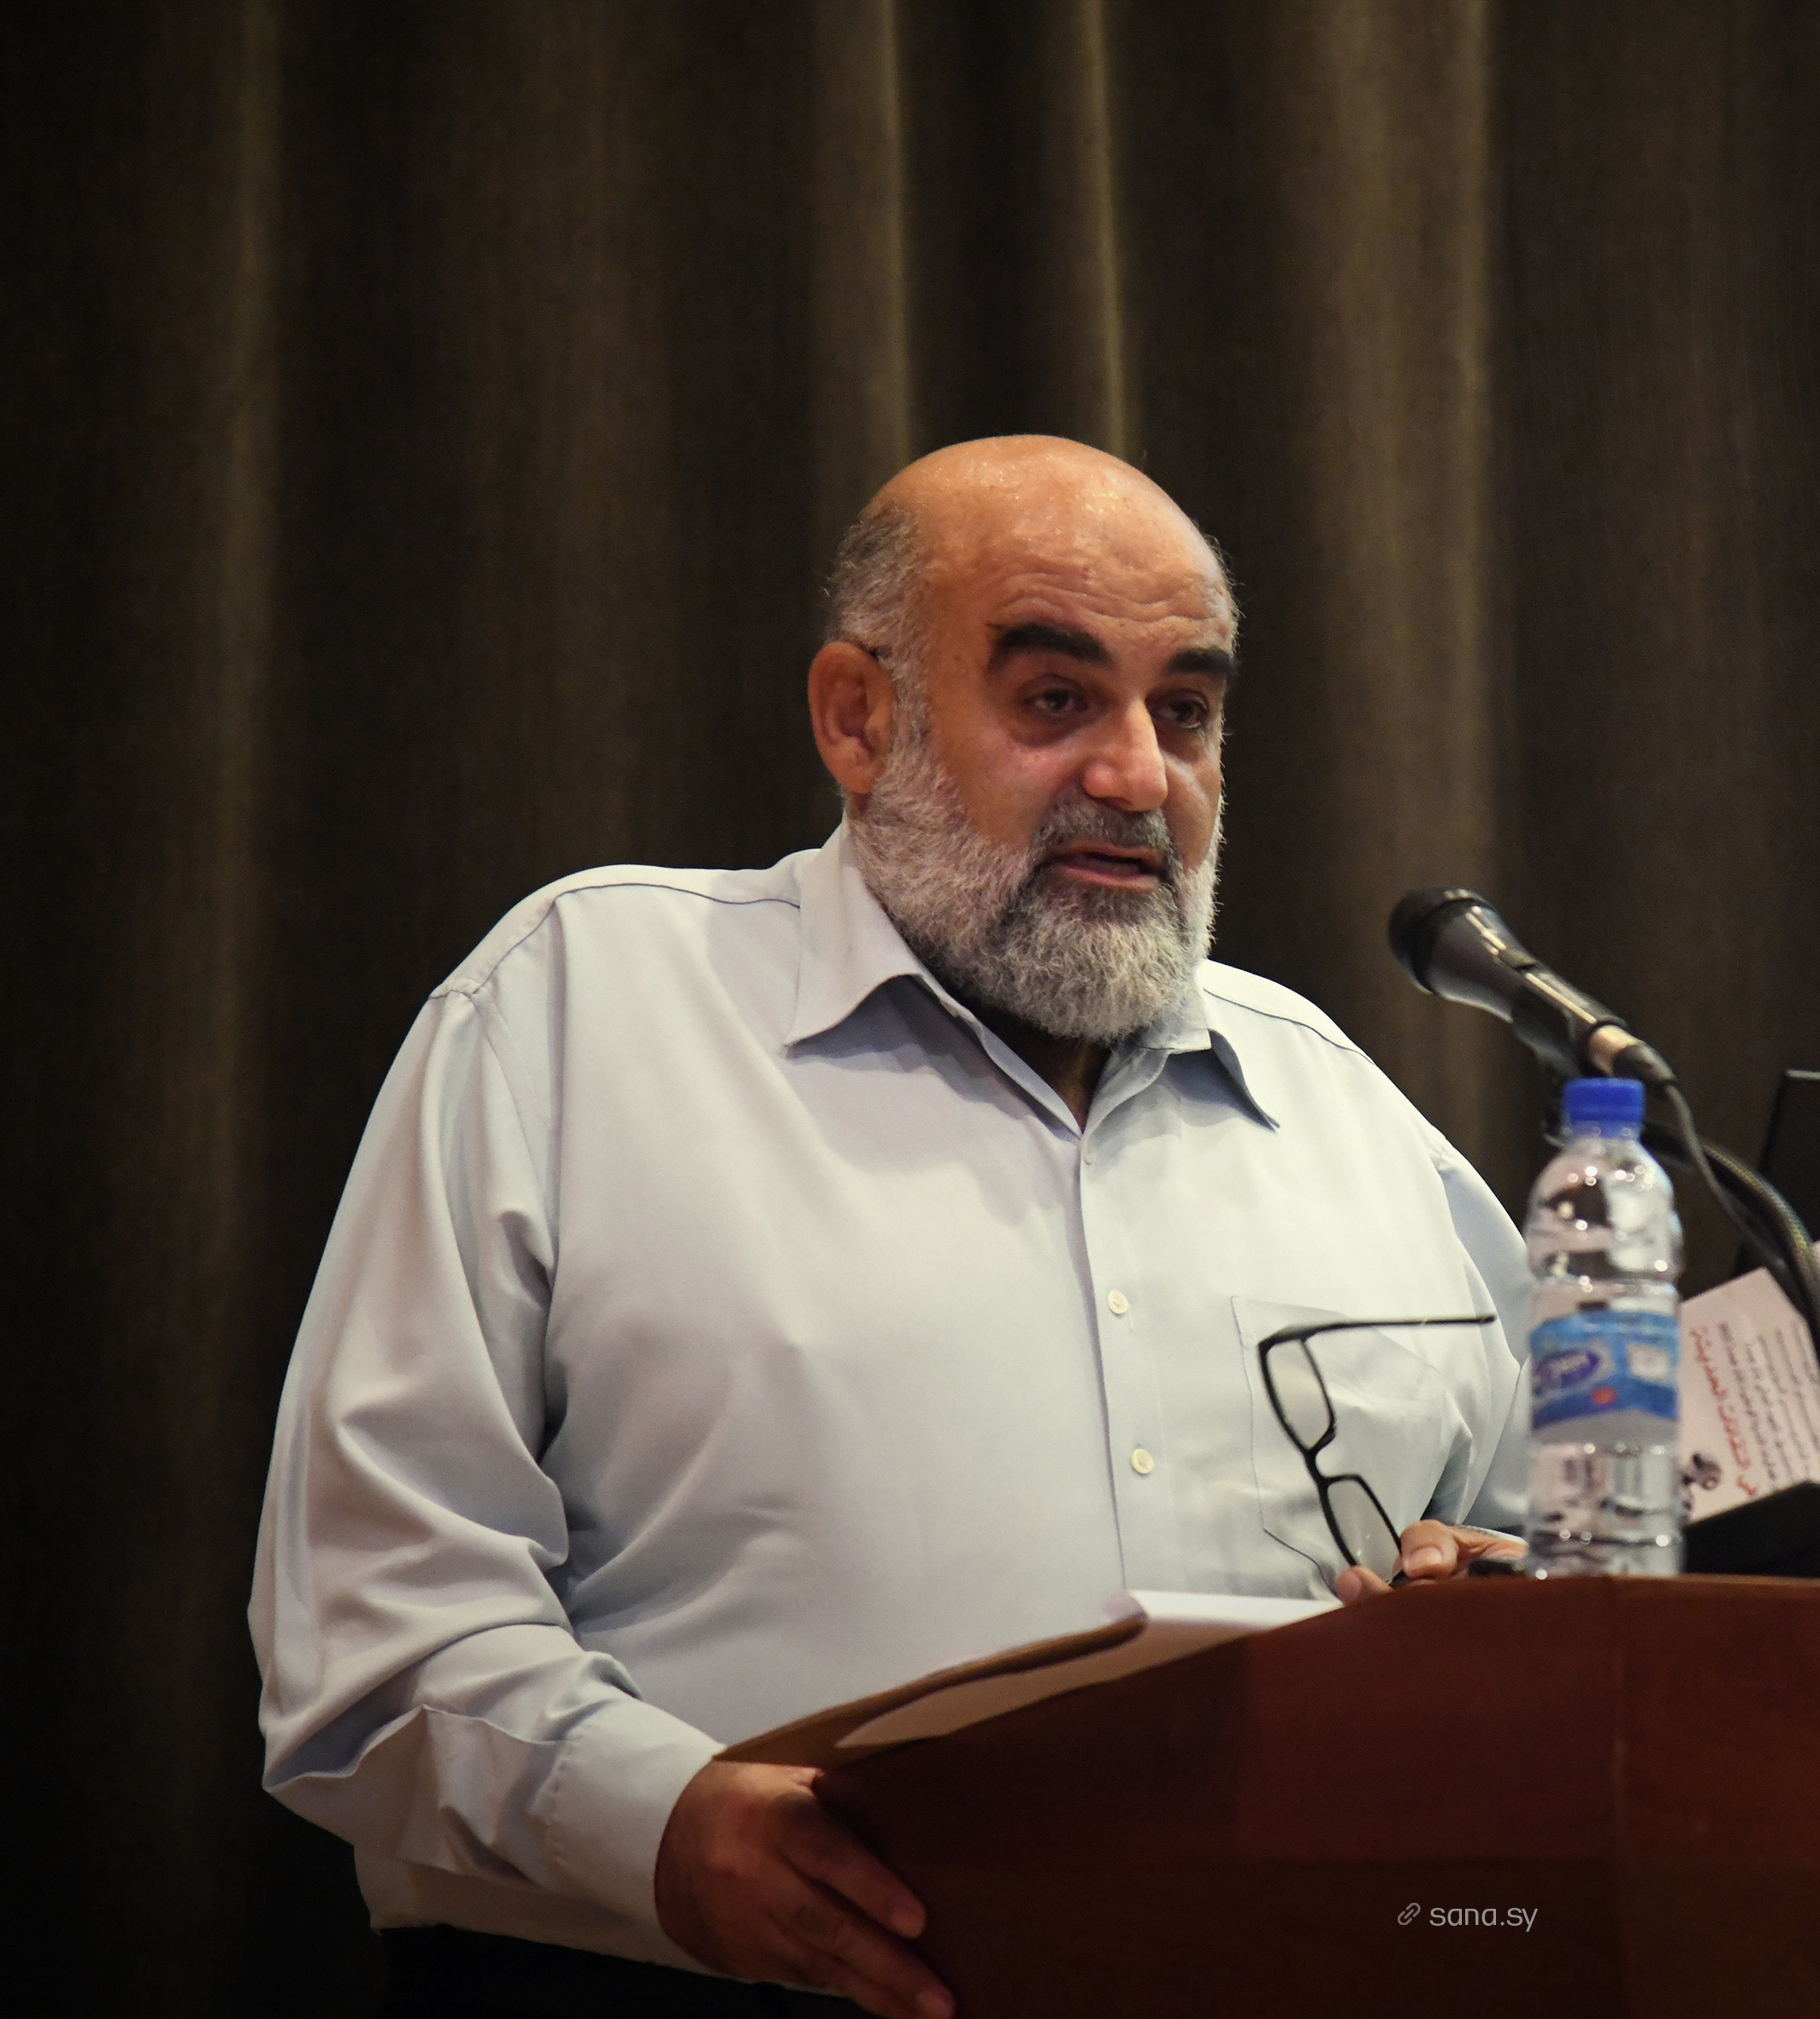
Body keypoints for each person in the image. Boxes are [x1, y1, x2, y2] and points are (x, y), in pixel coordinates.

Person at [251, 438, 1530, 2019]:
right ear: (859, 718)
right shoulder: (578, 1011)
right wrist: (666, 1830)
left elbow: (1558, 1582)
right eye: (1056, 699)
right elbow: (374, 1617)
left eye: (1187, 712)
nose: (1140, 777)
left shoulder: (1349, 1114)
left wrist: (1492, 1610)